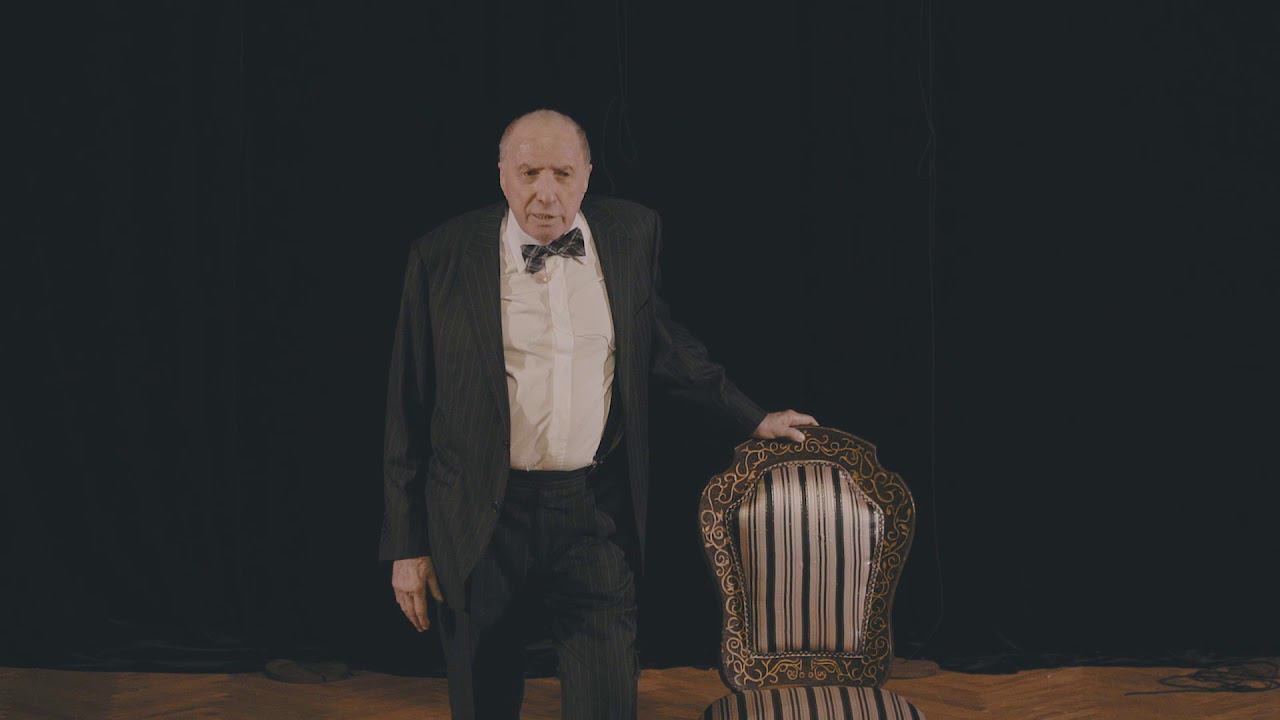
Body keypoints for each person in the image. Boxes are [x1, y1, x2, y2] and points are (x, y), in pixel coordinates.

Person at [378, 108, 817, 719]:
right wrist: (407, 545)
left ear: (586, 174)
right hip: (479, 515)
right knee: (483, 702)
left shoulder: (632, 233)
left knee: (607, 699)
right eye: (529, 173)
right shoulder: (442, 254)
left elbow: (665, 344)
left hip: (591, 509)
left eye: (562, 173)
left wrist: (752, 417)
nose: (546, 193)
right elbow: (407, 403)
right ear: (502, 175)